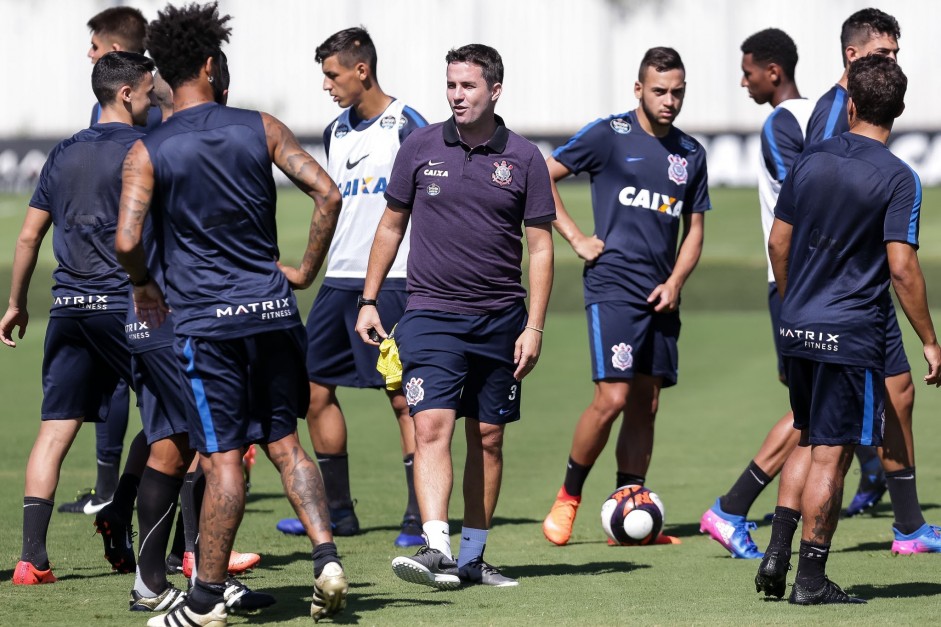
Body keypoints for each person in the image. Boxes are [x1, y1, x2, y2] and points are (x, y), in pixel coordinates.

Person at [116, 3, 347, 624]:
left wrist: (142, 285)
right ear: (213, 64)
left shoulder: (150, 148)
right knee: (285, 442)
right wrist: (302, 271)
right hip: (273, 313)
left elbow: (127, 240)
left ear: (165, 74)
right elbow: (328, 192)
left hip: (207, 326)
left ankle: (204, 600)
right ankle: (327, 559)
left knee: (221, 461)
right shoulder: (261, 126)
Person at [355, 43, 554, 588]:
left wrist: (534, 326)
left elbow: (540, 248)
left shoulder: (526, 158)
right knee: (431, 426)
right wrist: (369, 299)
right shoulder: (418, 147)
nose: (457, 95)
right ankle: (436, 545)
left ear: (494, 90)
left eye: (467, 86)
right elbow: (392, 225)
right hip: (430, 315)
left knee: (488, 437)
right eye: (450, 85)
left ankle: (473, 557)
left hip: (500, 320)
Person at [756, 54, 941, 605]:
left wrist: (796, 305)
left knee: (809, 437)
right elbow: (903, 267)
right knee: (832, 455)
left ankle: (777, 554)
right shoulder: (898, 177)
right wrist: (930, 340)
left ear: (851, 104)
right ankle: (810, 581)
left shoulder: (809, 161)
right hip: (850, 330)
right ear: (900, 111)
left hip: (797, 323)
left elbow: (778, 244)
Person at [541, 47, 709, 547]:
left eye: (678, 91)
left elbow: (694, 229)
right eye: (659, 91)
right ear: (639, 90)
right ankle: (567, 498)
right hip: (612, 285)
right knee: (612, 396)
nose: (670, 100)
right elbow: (541, 178)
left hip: (662, 293)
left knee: (645, 402)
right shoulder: (608, 135)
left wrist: (676, 281)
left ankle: (629, 509)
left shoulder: (691, 154)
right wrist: (575, 237)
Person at [2, 51, 156, 585]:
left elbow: (28, 236)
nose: (155, 94)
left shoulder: (65, 151)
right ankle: (140, 524)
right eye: (150, 87)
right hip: (126, 307)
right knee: (173, 419)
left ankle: (31, 559)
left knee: (53, 431)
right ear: (126, 94)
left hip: (67, 307)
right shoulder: (145, 149)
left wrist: (17, 302)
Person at [276, 26, 428, 547]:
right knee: (315, 392)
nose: (327, 85)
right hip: (338, 283)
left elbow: (428, 207)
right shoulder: (334, 131)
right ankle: (338, 511)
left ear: (361, 70)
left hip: (392, 285)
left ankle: (419, 516)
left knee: (402, 398)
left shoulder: (408, 126)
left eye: (332, 74)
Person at [805, 8, 941, 552]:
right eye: (882, 55)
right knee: (814, 427)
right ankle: (736, 506)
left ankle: (908, 526)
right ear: (852, 54)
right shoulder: (834, 110)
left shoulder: (860, 110)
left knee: (899, 394)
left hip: (861, 288)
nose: (892, 64)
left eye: (896, 56)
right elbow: (811, 198)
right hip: (839, 292)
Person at [700, 28, 812, 559]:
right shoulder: (800, 119)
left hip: (804, 284)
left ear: (773, 71)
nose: (743, 83)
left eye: (747, 73)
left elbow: (806, 197)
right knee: (819, 408)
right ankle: (732, 507)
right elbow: (809, 200)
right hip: (802, 284)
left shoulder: (789, 119)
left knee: (832, 405)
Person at [55, 5, 154, 517]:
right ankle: (110, 492)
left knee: (163, 402)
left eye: (94, 46)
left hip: (134, 287)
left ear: (114, 55)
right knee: (129, 389)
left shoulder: (148, 113)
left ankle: (125, 498)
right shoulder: (114, 111)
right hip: (112, 285)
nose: (87, 54)